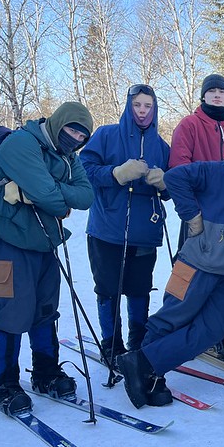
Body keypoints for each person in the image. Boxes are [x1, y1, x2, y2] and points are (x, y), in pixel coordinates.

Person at [116, 130, 224, 408]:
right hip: (195, 262)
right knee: (172, 317)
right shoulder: (214, 170)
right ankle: (151, 376)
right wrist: (191, 216)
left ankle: (142, 364)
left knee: (212, 330)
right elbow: (174, 178)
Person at [0, 102, 94, 415]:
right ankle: (5, 384)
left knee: (44, 310)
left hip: (43, 242)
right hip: (5, 239)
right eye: (72, 129)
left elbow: (86, 196)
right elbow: (54, 201)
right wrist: (52, 194)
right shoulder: (21, 144)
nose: (76, 138)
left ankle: (45, 372)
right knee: (11, 311)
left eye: (82, 135)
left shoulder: (68, 155)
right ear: (58, 123)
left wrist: (46, 191)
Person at [80, 84, 170, 369]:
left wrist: (166, 181)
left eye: (148, 106)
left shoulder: (162, 146)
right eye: (138, 105)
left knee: (140, 288)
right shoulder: (106, 135)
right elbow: (84, 170)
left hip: (145, 232)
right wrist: (116, 173)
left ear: (154, 110)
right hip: (107, 229)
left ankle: (138, 343)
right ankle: (111, 345)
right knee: (108, 289)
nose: (143, 111)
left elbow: (175, 188)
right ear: (129, 106)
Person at [169, 73, 224, 251]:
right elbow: (178, 169)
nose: (217, 95)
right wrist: (191, 211)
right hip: (199, 211)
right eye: (212, 90)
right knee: (189, 268)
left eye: (222, 91)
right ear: (204, 96)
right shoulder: (189, 124)